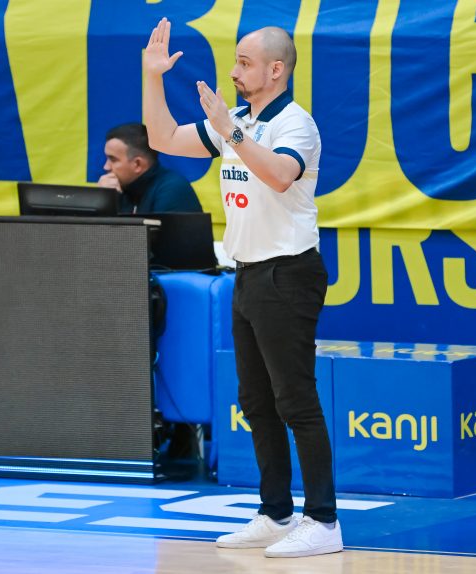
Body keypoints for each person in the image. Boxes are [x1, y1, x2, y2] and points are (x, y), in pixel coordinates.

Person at [142, 18, 342, 558]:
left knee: (295, 399)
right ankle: (275, 512)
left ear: (276, 70)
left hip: (289, 272)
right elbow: (162, 138)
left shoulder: (296, 124)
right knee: (255, 400)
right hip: (247, 272)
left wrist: (229, 132)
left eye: (244, 63)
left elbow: (279, 174)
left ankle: (324, 520)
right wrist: (152, 76)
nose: (233, 71)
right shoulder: (235, 120)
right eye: (235, 61)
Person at [98, 122, 202, 214]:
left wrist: (112, 204)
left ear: (137, 164)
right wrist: (105, 201)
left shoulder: (172, 190)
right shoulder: (121, 189)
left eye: (113, 159)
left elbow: (137, 231)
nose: (106, 167)